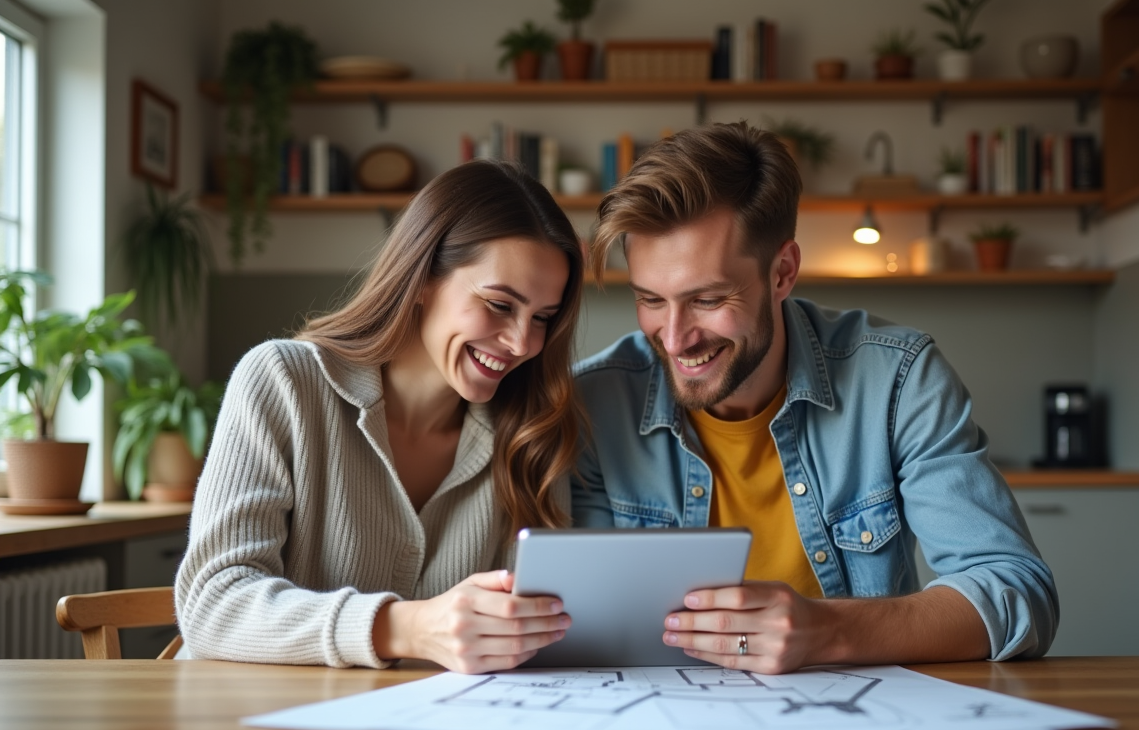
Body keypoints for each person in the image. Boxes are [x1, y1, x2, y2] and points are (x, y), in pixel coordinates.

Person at [572, 122, 1058, 674]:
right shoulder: (594, 402)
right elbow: (587, 622)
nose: (676, 338)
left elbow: (1019, 592)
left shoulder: (896, 379)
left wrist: (828, 631)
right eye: (651, 300)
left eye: (707, 299)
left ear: (782, 273)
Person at [176, 160, 591, 673]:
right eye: (500, 305)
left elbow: (534, 633)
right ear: (422, 278)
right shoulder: (282, 381)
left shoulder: (532, 432)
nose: (523, 342)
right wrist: (409, 628)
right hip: (253, 719)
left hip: (432, 723)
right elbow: (212, 604)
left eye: (543, 318)